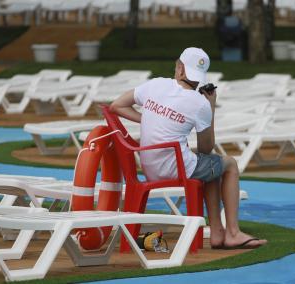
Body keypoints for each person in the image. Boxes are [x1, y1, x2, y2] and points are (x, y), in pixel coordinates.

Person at [110, 47, 267, 249]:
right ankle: (233, 232)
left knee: (210, 167)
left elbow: (116, 106)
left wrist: (152, 119)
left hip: (149, 166)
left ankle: (218, 232)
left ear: (180, 68)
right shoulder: (199, 103)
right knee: (229, 164)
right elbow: (206, 148)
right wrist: (210, 106)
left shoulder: (155, 84)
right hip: (173, 168)